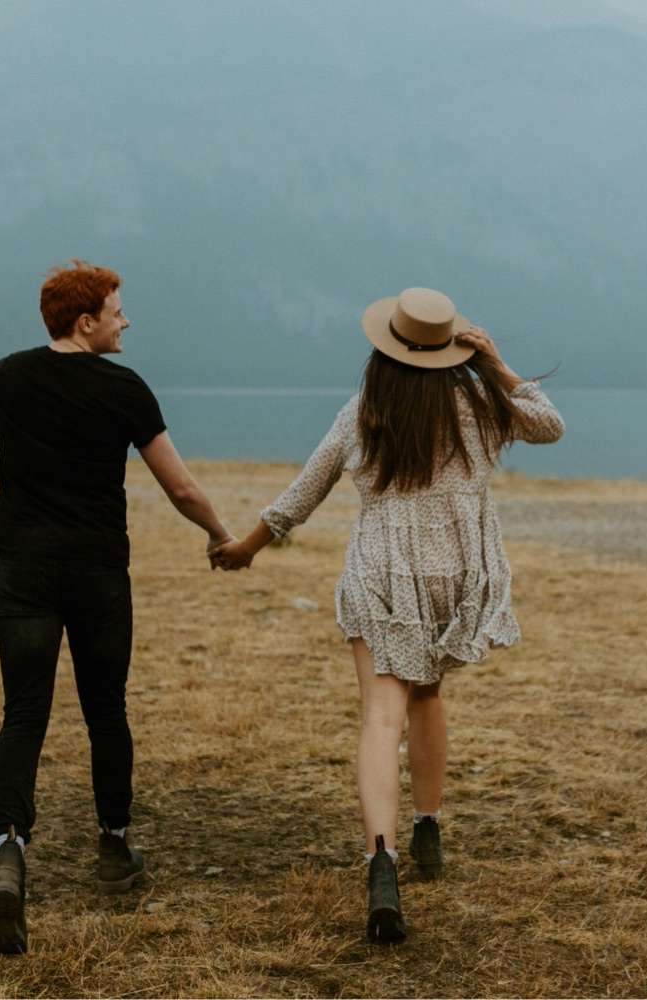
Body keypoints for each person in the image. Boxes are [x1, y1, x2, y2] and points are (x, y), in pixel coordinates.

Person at [210, 287, 564, 942]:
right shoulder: (481, 405)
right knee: (427, 697)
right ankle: (427, 827)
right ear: (451, 348)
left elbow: (301, 494)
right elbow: (548, 422)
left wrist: (245, 549)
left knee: (380, 715)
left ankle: (382, 860)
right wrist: (494, 365)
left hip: (382, 577)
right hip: (452, 579)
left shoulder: (363, 412)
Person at [0, 259, 236, 955]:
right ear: (86, 323)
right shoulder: (125, 389)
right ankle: (113, 850)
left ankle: (9, 856)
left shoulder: (5, 375)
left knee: (23, 713)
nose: (126, 320)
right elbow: (180, 488)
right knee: (105, 709)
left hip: (22, 568)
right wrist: (222, 535)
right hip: (98, 573)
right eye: (117, 311)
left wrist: (27, 473)